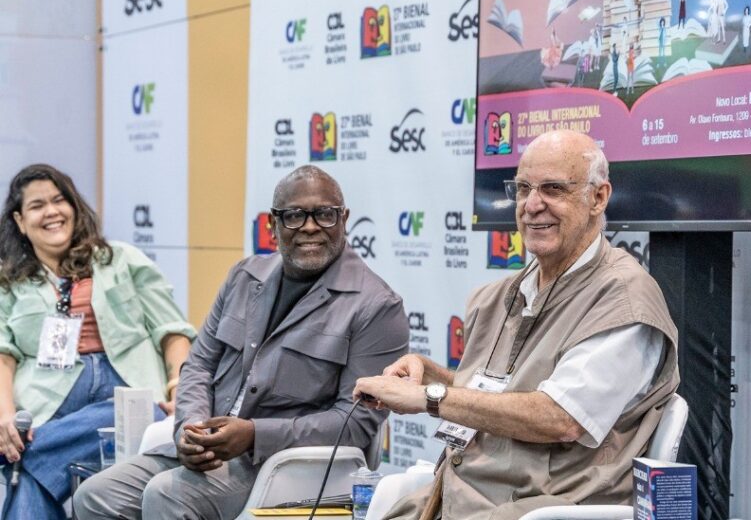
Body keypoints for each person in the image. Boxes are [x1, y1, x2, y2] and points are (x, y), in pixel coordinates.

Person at [356, 131, 679, 520]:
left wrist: (433, 398)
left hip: (540, 507)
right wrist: (430, 377)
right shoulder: (502, 294)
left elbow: (562, 417)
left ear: (598, 197)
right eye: (523, 188)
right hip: (459, 495)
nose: (532, 205)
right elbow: (496, 393)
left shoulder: (624, 298)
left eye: (553, 189)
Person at [74, 165, 409, 520]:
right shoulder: (244, 277)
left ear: (344, 219)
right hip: (210, 453)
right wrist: (189, 429)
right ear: (272, 225)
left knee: (168, 496)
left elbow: (353, 425)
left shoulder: (377, 307)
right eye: (294, 216)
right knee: (95, 495)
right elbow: (199, 365)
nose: (310, 226)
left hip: (285, 467)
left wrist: (253, 435)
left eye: (324, 215)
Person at [0, 164, 196, 520]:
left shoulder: (120, 259)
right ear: (20, 221)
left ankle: (27, 455)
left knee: (143, 414)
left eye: (59, 200)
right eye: (37, 205)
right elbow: (2, 353)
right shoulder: (10, 281)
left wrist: (178, 386)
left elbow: (172, 330)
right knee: (30, 470)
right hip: (49, 395)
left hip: (126, 384)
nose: (51, 211)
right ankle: (32, 455)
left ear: (74, 207)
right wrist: (5, 415)